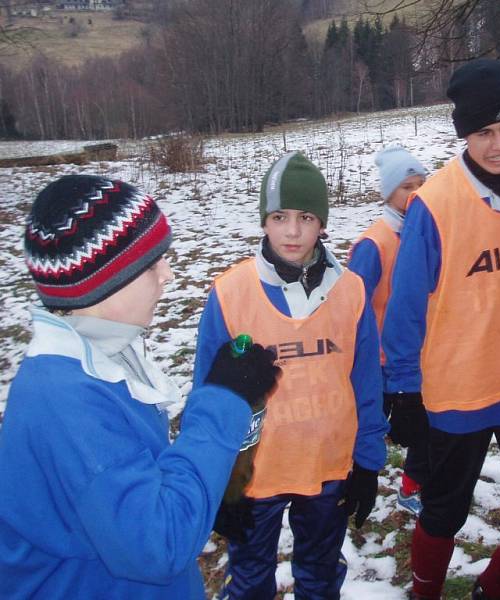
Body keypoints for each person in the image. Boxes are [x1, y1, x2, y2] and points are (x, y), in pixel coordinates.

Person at [0, 175, 279, 599]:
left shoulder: (103, 356)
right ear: (102, 281)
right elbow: (158, 544)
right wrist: (223, 401)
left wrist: (206, 493)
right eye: (151, 264)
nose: (167, 275)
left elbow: (141, 482)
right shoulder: (64, 403)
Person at [381, 58, 500, 600]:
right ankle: (425, 590)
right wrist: (404, 389)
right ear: (465, 133)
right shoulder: (435, 203)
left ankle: (496, 586)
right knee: (445, 507)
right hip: (458, 386)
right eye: (484, 131)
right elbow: (406, 307)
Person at [194, 151, 388, 599]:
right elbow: (208, 392)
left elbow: (365, 384)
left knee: (319, 577)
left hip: (328, 465)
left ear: (321, 222)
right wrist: (219, 479)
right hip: (255, 473)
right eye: (280, 216)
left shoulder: (350, 291)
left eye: (305, 217)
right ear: (264, 220)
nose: (293, 231)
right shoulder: (230, 294)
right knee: (249, 580)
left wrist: (368, 463)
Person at [349, 145, 428, 516]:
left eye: (421, 184)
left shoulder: (424, 233)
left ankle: (412, 488)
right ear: (388, 193)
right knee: (367, 426)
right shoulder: (374, 243)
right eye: (407, 187)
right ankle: (350, 477)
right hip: (380, 361)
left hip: (417, 356)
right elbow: (352, 305)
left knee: (425, 428)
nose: (416, 193)